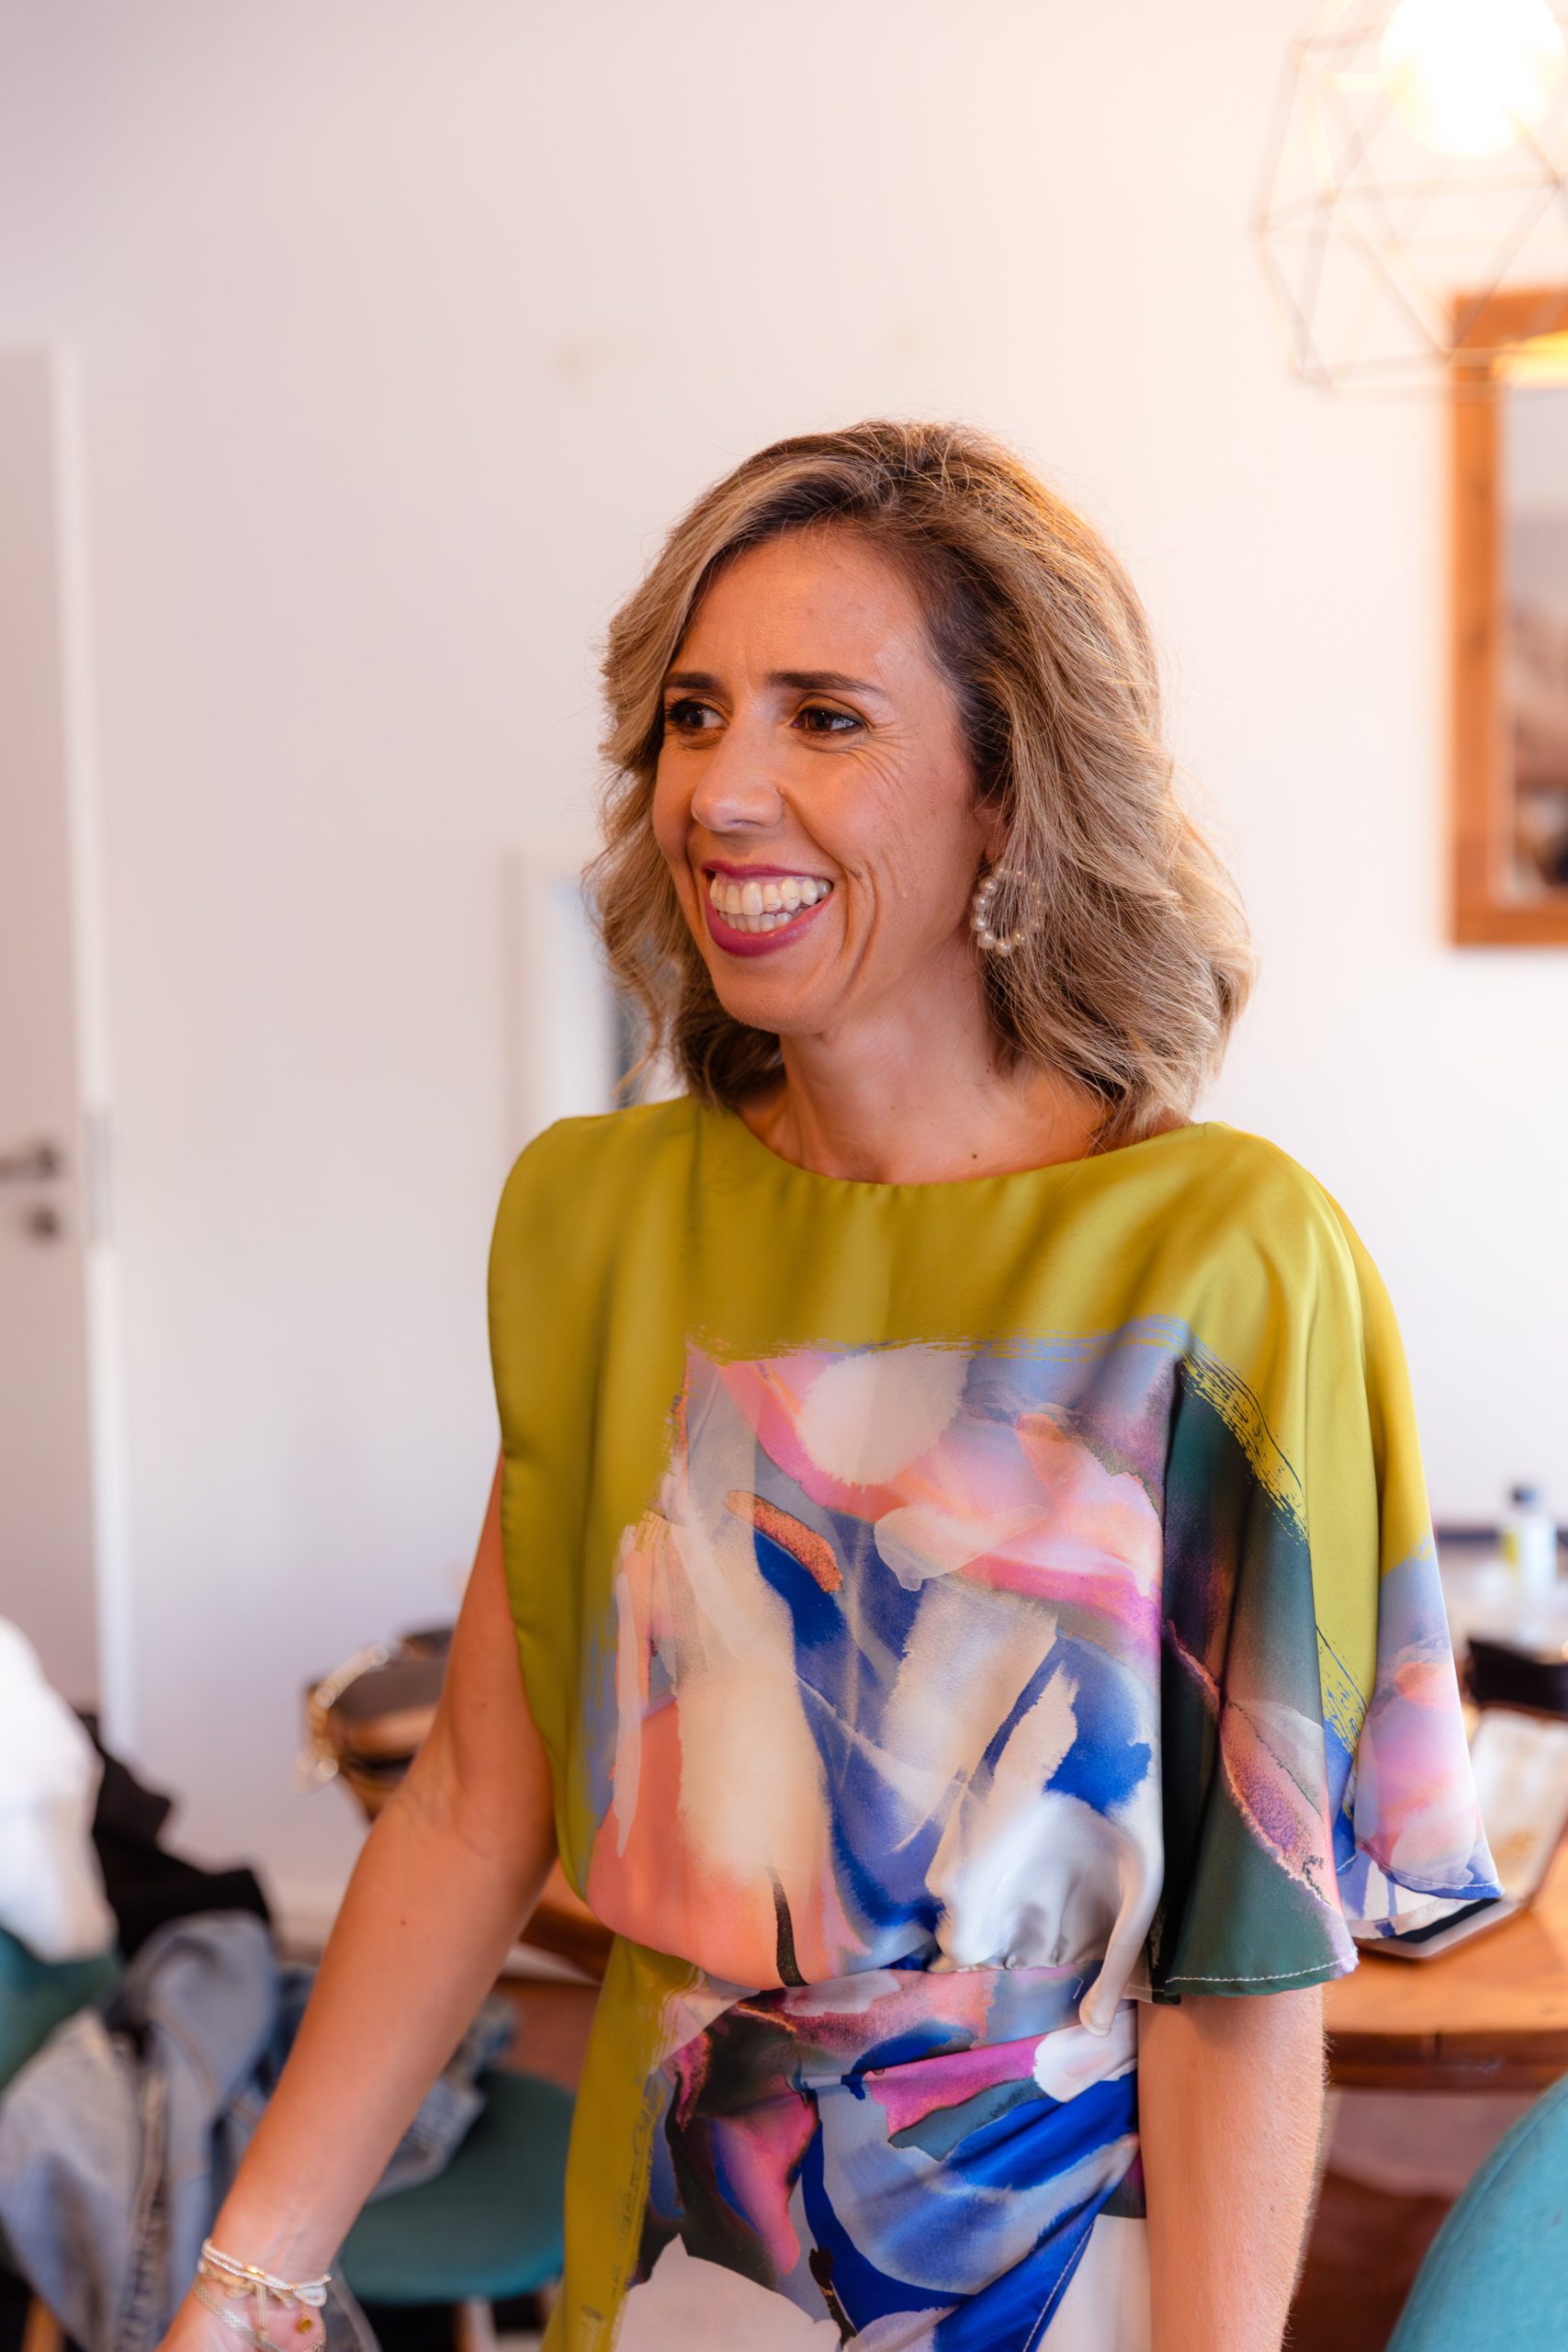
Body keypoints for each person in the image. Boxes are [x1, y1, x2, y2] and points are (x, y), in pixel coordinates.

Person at [162, 422, 1498, 2352]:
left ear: (1005, 794)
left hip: (1057, 2275)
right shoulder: (597, 1219)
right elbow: (470, 1798)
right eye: (693, 715)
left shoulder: (1222, 1262)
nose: (723, 790)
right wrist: (252, 2270)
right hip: (673, 2251)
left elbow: (1241, 1974)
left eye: (826, 718)